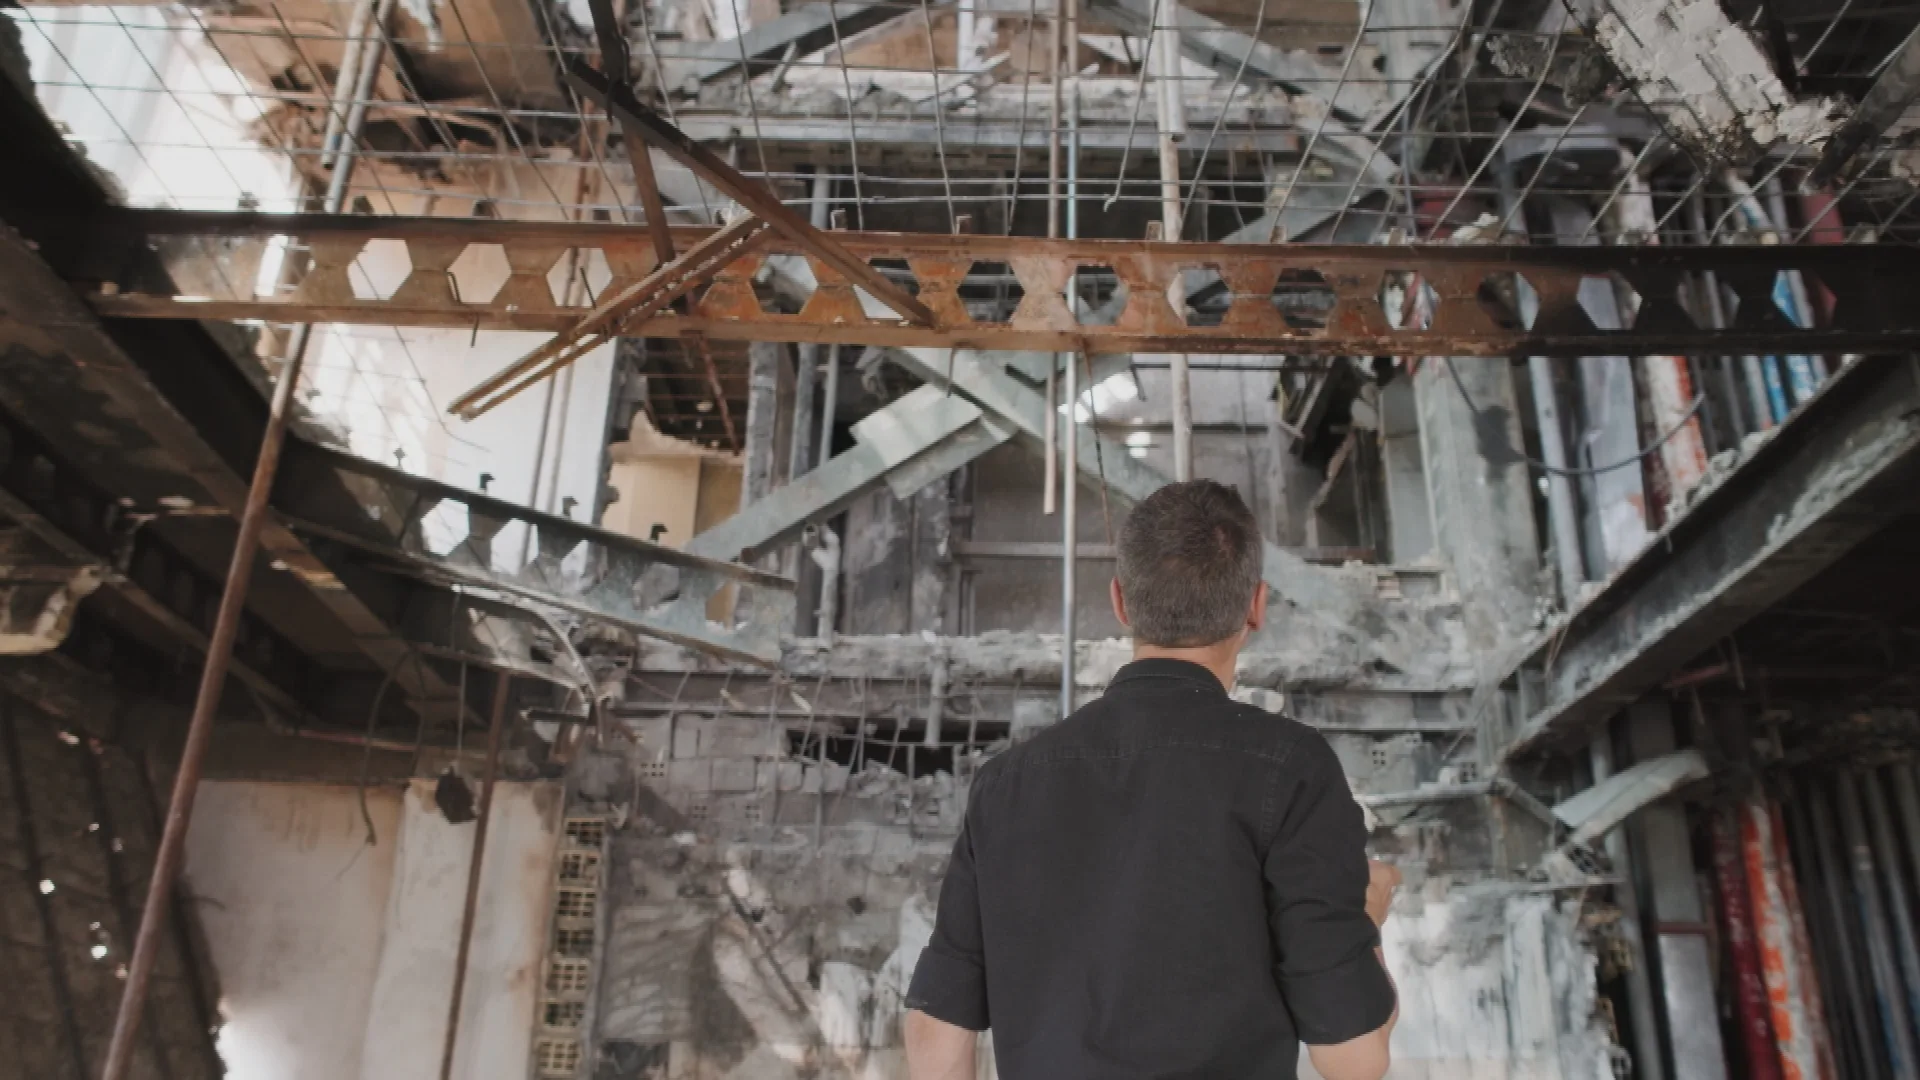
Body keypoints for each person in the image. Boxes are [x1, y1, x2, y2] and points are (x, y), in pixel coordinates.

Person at [903, 479, 1400, 1080]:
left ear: (1120, 602)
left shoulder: (1006, 783)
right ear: (1257, 606)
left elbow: (937, 1025)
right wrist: (1362, 918)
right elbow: (1355, 1060)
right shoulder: (1293, 767)